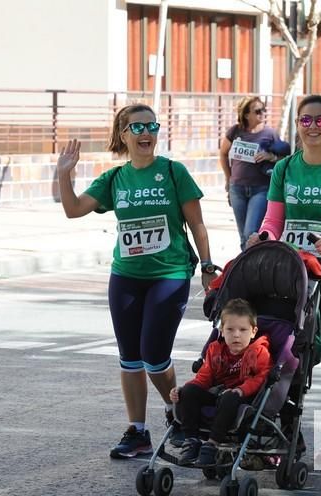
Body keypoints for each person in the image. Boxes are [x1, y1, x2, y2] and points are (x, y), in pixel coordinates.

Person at [56, 104, 218, 459]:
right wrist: (64, 174)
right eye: (137, 127)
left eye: (151, 126)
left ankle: (181, 415)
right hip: (126, 276)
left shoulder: (174, 173)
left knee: (154, 354)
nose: (146, 133)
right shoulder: (115, 178)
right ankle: (138, 431)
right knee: (130, 357)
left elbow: (197, 224)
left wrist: (207, 265)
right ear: (124, 135)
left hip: (170, 274)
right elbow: (73, 209)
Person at [247, 95, 321, 446]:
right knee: (293, 352)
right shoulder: (285, 168)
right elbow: (273, 220)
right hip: (295, 277)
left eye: (320, 120)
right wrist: (264, 237)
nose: (313, 126)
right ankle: (287, 427)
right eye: (306, 120)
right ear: (297, 125)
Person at [170, 298, 272, 466]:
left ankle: (212, 444)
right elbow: (204, 377)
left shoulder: (259, 352)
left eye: (243, 330)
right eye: (230, 329)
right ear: (222, 331)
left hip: (243, 397)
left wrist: (241, 390)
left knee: (230, 396)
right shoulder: (215, 350)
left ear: (253, 332)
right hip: (218, 394)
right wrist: (184, 389)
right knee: (188, 391)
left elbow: (260, 378)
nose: (236, 335)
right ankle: (191, 440)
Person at [219, 96, 290, 250]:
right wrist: (228, 179)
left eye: (264, 110)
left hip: (261, 189)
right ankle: (247, 267)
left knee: (251, 232)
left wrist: (271, 156)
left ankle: (250, 266)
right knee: (243, 236)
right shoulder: (235, 131)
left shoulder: (270, 133)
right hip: (237, 188)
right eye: (257, 111)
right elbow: (223, 154)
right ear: (246, 115)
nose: (262, 114)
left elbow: (284, 159)